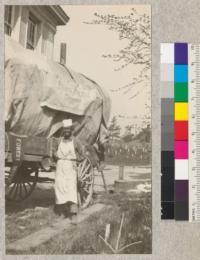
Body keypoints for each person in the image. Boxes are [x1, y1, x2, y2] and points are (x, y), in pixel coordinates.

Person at [54, 119, 78, 218]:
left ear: (71, 130)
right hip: (60, 165)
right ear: (63, 130)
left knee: (71, 187)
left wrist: (76, 160)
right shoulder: (59, 140)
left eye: (68, 129)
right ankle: (62, 211)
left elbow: (82, 151)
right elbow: (53, 150)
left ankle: (73, 213)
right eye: (65, 129)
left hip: (70, 166)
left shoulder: (75, 141)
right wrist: (55, 154)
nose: (67, 131)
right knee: (59, 187)